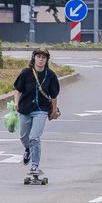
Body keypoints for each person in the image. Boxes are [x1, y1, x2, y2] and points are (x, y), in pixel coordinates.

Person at [13, 47, 61, 175]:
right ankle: (27, 149)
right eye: (38, 57)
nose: (41, 60)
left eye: (43, 57)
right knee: (24, 137)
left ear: (47, 60)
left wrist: (54, 110)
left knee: (34, 137)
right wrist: (16, 103)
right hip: (25, 109)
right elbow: (18, 89)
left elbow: (54, 95)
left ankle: (35, 166)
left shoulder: (50, 75)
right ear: (34, 58)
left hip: (41, 110)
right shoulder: (26, 73)